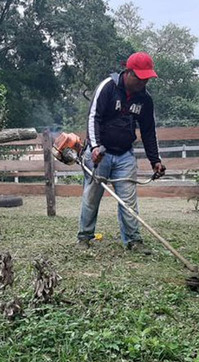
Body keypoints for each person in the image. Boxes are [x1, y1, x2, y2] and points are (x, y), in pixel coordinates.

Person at [76, 51, 166, 254]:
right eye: (141, 79)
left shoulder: (145, 99)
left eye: (147, 79)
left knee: (128, 199)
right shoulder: (107, 87)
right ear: (129, 73)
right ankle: (84, 237)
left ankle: (134, 241)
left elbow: (149, 131)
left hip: (125, 154)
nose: (144, 84)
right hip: (100, 153)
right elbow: (93, 117)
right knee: (92, 196)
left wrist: (155, 160)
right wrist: (95, 147)